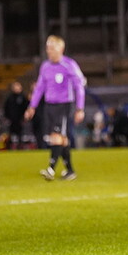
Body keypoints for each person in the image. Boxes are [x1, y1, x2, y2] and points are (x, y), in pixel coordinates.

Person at [24, 36, 86, 180]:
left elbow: (79, 86)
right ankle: (70, 171)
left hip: (64, 106)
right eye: (47, 47)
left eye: (52, 48)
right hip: (49, 106)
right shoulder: (45, 66)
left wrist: (80, 108)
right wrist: (32, 106)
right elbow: (39, 88)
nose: (49, 51)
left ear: (61, 49)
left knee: (56, 137)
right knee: (61, 139)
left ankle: (51, 169)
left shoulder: (69, 65)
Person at [3, 81, 29, 149]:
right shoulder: (10, 98)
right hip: (12, 119)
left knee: (20, 133)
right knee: (11, 133)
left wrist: (24, 117)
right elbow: (6, 108)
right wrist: (7, 117)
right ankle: (10, 146)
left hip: (20, 119)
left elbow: (26, 107)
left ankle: (20, 146)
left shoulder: (23, 97)